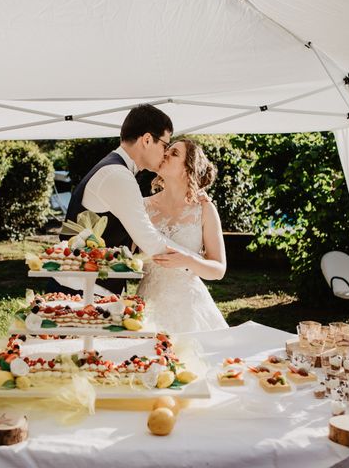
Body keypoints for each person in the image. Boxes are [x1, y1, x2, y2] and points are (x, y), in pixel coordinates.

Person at [48, 104, 195, 296]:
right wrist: (195, 261)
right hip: (82, 291)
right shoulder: (118, 175)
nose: (166, 153)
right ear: (148, 140)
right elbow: (148, 239)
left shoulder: (114, 169)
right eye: (165, 145)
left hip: (86, 286)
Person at [136, 139, 228, 333]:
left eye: (174, 153)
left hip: (189, 309)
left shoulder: (204, 209)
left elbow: (218, 270)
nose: (165, 154)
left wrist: (188, 260)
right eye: (167, 151)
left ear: (188, 168)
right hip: (147, 302)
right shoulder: (142, 206)